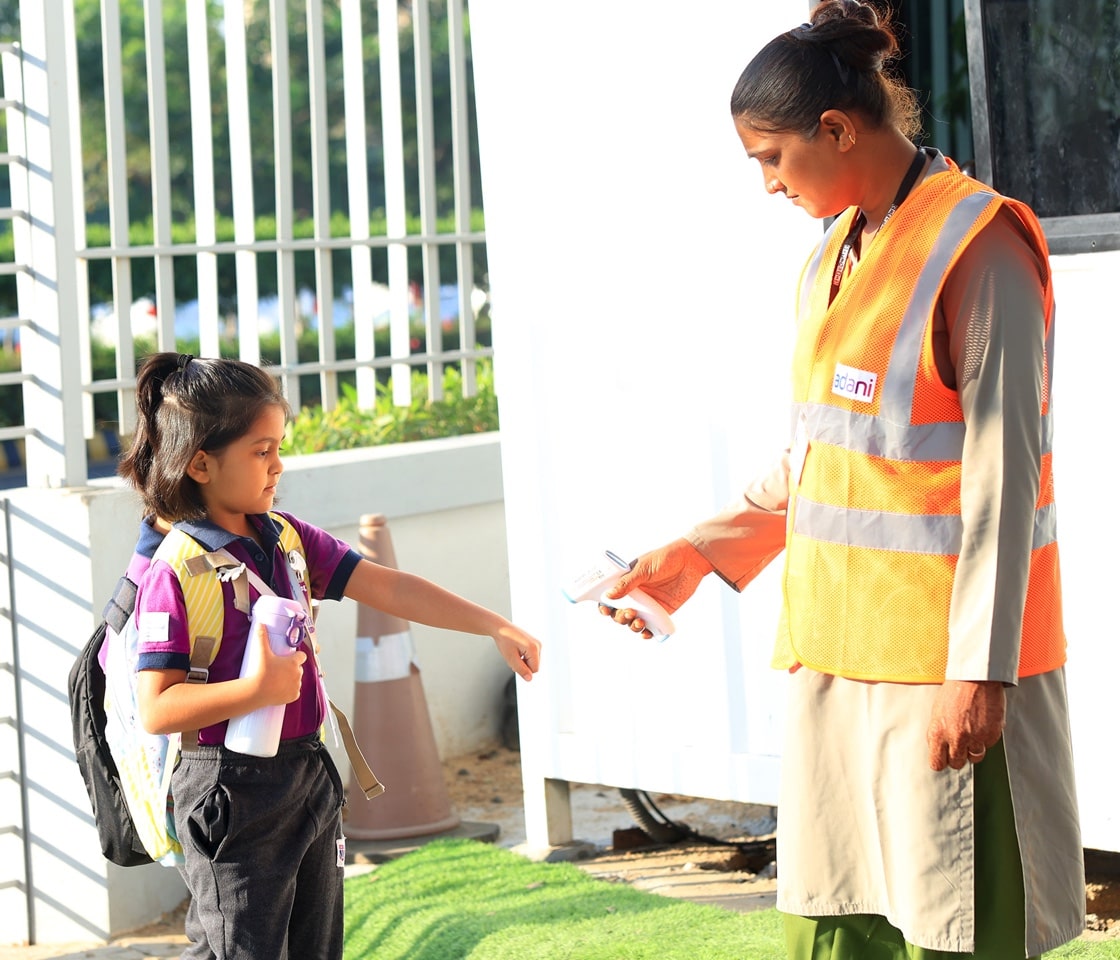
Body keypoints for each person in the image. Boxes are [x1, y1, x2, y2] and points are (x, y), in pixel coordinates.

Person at [599, 3, 1084, 958]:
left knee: (961, 928)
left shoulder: (978, 243)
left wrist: (978, 676)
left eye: (771, 159)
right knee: (837, 926)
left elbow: (1001, 479)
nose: (767, 185)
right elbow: (829, 463)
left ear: (836, 129)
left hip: (944, 668)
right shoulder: (834, 252)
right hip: (833, 654)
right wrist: (694, 557)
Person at [118, 351, 542, 960]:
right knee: (237, 950)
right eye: (261, 451)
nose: (278, 466)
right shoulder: (177, 569)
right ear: (201, 463)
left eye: (278, 447)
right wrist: (257, 690)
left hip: (307, 772)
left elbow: (388, 586)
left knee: (317, 948)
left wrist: (493, 625)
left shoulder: (286, 536)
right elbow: (158, 708)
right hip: (228, 790)